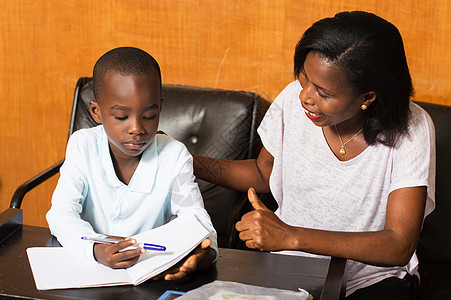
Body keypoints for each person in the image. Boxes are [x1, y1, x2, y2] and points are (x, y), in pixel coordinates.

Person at [192, 11, 435, 299]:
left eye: (323, 92)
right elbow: (263, 174)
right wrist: (186, 159)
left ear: (367, 97)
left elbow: (399, 243)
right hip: (287, 268)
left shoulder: (413, 128)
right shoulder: (293, 101)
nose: (305, 96)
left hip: (371, 282)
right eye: (304, 78)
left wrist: (291, 235)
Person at [46, 47, 217, 280]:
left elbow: (195, 218)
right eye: (121, 117)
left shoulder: (173, 155)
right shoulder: (83, 145)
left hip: (150, 276)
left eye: (149, 116)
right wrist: (94, 249)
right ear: (96, 111)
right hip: (89, 271)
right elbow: (61, 212)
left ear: (160, 108)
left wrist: (204, 254)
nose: (137, 128)